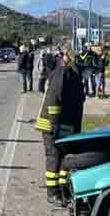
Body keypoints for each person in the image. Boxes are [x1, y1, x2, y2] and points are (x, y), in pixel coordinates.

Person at [35, 50, 85, 206]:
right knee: (54, 156)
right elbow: (53, 100)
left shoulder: (76, 77)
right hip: (51, 124)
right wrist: (55, 126)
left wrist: (75, 129)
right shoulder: (64, 74)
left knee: (66, 156)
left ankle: (64, 189)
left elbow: (76, 106)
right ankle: (52, 193)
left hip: (66, 125)